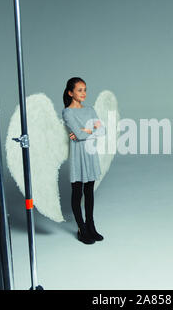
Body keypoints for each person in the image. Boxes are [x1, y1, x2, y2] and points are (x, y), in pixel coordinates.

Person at [62, 77, 106, 244]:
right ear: (70, 92)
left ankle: (91, 225)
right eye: (79, 90)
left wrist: (83, 131)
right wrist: (88, 131)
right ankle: (81, 228)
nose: (84, 93)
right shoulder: (67, 112)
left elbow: (102, 131)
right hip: (78, 156)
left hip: (90, 154)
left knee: (89, 192)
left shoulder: (90, 109)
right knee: (77, 191)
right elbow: (80, 136)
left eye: (85, 90)